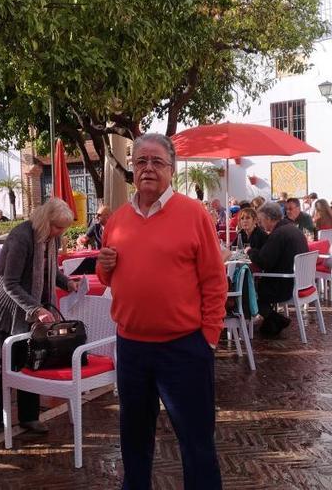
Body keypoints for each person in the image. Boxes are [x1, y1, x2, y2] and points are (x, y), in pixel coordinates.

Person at [97, 133, 225, 490]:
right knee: (134, 441)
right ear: (132, 170)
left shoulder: (193, 213)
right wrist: (104, 266)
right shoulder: (118, 219)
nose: (148, 168)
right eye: (141, 162)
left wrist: (209, 339)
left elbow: (214, 281)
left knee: (196, 442)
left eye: (156, 162)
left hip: (184, 348)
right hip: (132, 347)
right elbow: (108, 275)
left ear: (172, 169)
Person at [0, 198, 79, 438]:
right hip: (2, 304)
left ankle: (29, 417)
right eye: (57, 227)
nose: (60, 233)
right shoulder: (21, 237)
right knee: (2, 360)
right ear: (46, 221)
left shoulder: (50, 237)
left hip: (28, 304)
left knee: (31, 358)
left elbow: (49, 271)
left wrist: (67, 282)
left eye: (63, 228)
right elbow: (10, 283)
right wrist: (35, 309)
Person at [245, 203, 309, 338]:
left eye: (261, 220)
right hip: (299, 281)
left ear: (269, 218)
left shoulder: (279, 234)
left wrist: (250, 251)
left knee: (249, 291)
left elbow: (264, 262)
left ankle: (276, 319)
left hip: (283, 285)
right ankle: (272, 323)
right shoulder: (292, 229)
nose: (261, 224)